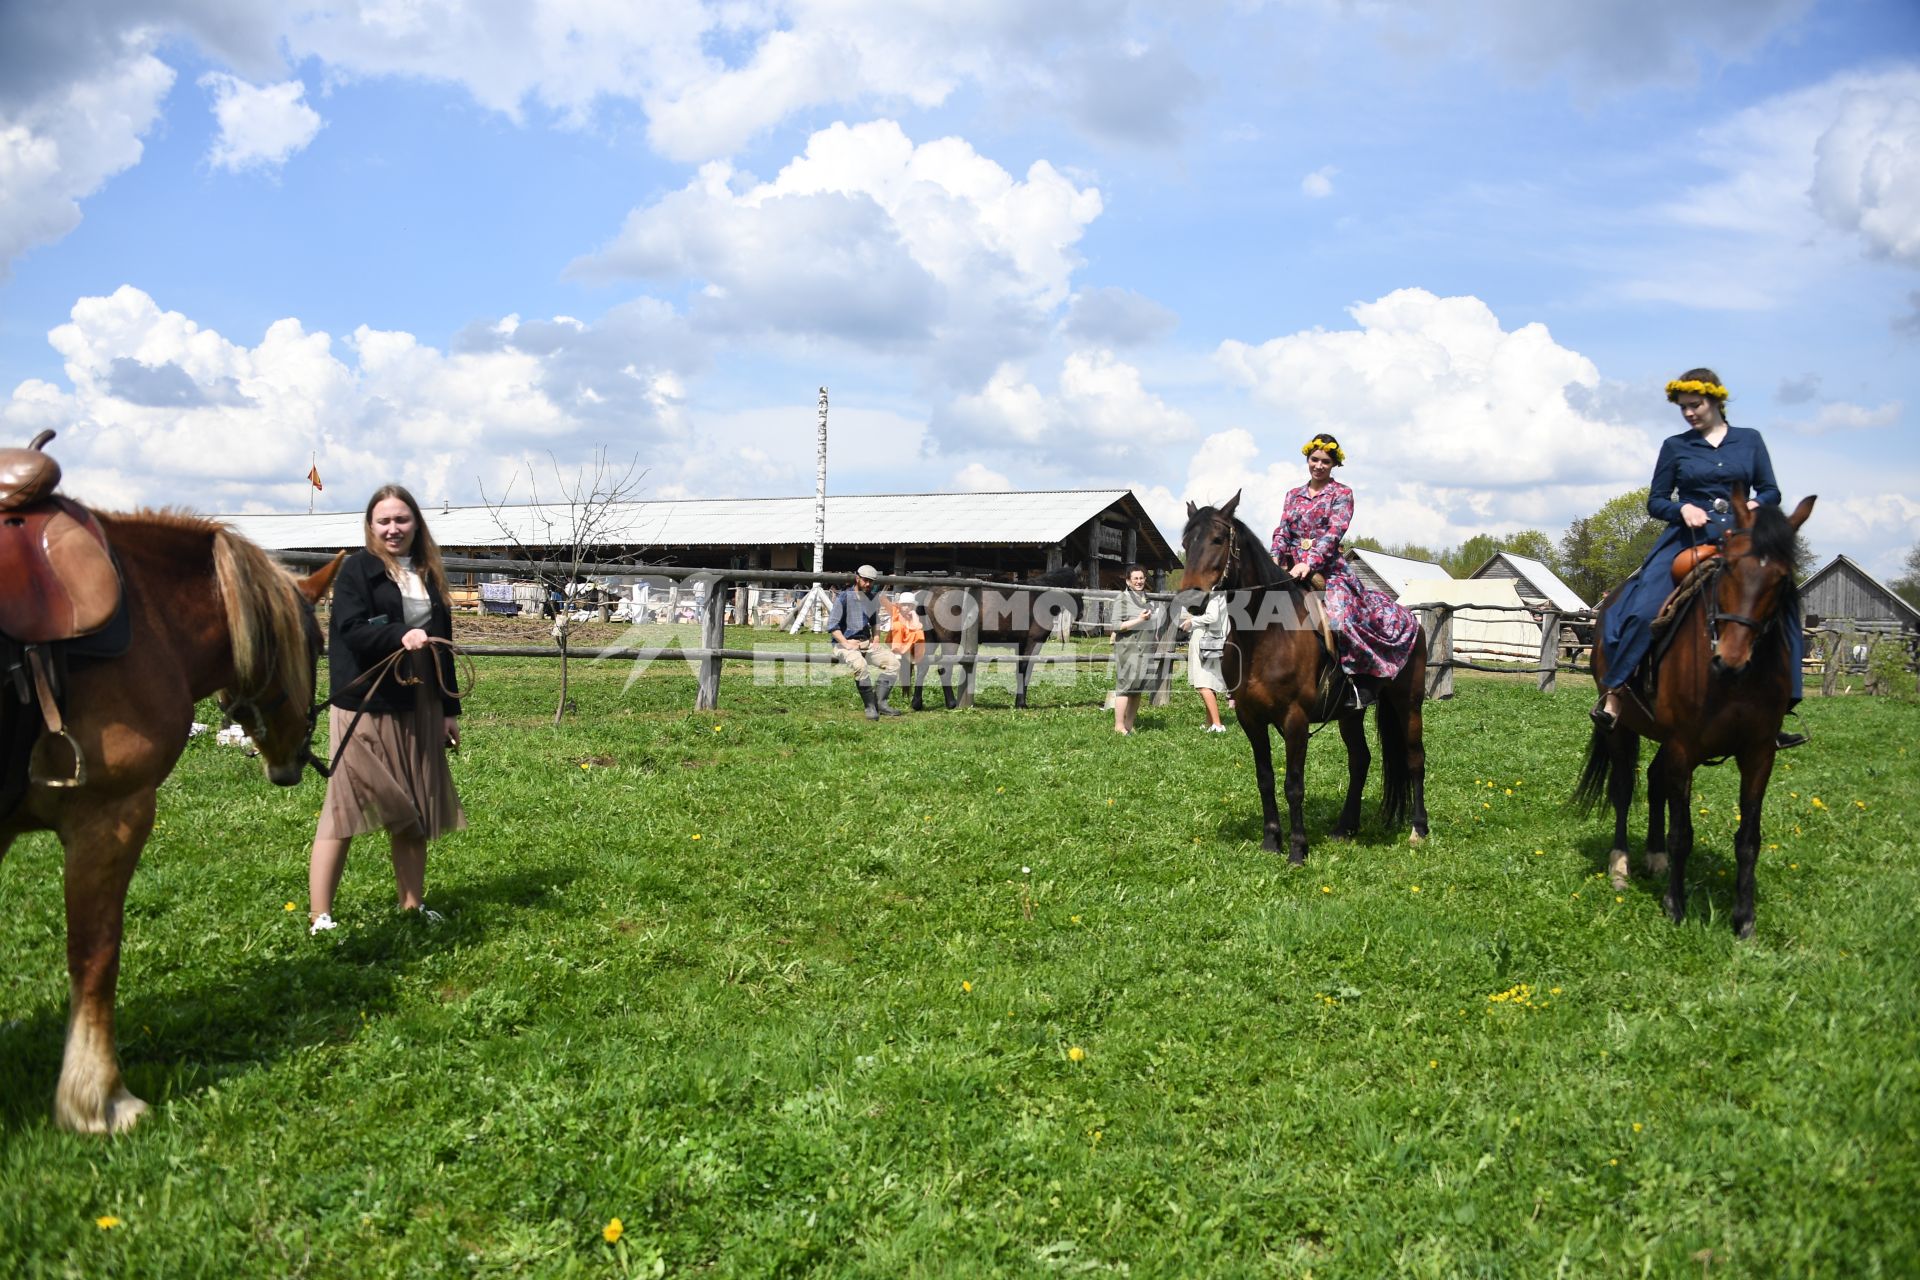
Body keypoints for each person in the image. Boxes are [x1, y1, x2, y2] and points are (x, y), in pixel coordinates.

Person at [1592, 369, 1807, 747]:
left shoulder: (1750, 441)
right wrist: (1682, 509)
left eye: (1696, 405)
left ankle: (1781, 706)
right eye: (1683, 408)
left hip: (1742, 539)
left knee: (1785, 606)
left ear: (1716, 401)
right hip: (1687, 538)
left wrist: (1756, 503)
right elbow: (1656, 501)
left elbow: (1771, 490)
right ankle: (1617, 693)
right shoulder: (1675, 446)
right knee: (1642, 610)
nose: (1689, 413)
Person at [308, 484, 466, 934]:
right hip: (365, 706)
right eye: (384, 521)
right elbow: (351, 629)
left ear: (416, 523)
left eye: (402, 520)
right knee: (344, 805)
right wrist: (398, 634)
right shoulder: (357, 570)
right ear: (371, 526)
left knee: (414, 807)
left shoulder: (429, 572)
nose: (393, 529)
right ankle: (320, 914)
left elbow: (444, 646)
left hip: (418, 704)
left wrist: (449, 708)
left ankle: (412, 908)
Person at [1270, 433, 1419, 710]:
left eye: (1325, 461)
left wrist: (1309, 562)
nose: (1318, 465)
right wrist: (1275, 557)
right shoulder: (1293, 495)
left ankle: (1356, 682)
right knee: (1260, 614)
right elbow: (1283, 530)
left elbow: (1334, 533)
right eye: (1314, 460)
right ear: (1307, 460)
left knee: (1341, 617)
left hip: (1329, 571)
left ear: (1334, 464)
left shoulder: (1342, 493)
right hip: (1291, 570)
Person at [828, 564, 902, 719]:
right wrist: (846, 643)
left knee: (894, 664)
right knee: (860, 666)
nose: (868, 584)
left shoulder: (871, 599)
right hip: (845, 643)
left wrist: (876, 639)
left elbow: (875, 622)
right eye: (865, 580)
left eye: (871, 581)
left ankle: (880, 703)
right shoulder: (843, 598)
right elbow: (833, 626)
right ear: (857, 579)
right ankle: (869, 706)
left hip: (866, 643)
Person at [1107, 564, 1158, 734]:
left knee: (1138, 688)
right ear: (1128, 581)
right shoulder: (1122, 598)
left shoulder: (1147, 599)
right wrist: (1138, 620)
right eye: (1135, 578)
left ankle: (1129, 724)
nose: (1139, 581)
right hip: (1128, 649)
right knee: (1125, 687)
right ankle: (1119, 726)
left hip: (1145, 649)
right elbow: (1115, 625)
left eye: (1141, 578)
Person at [1179, 588, 1230, 731]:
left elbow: (1212, 617)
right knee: (1209, 682)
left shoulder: (1214, 593)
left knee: (1203, 683)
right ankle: (1210, 722)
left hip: (1205, 639)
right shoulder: (1221, 593)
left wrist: (1192, 620)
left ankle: (1217, 724)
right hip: (1214, 639)